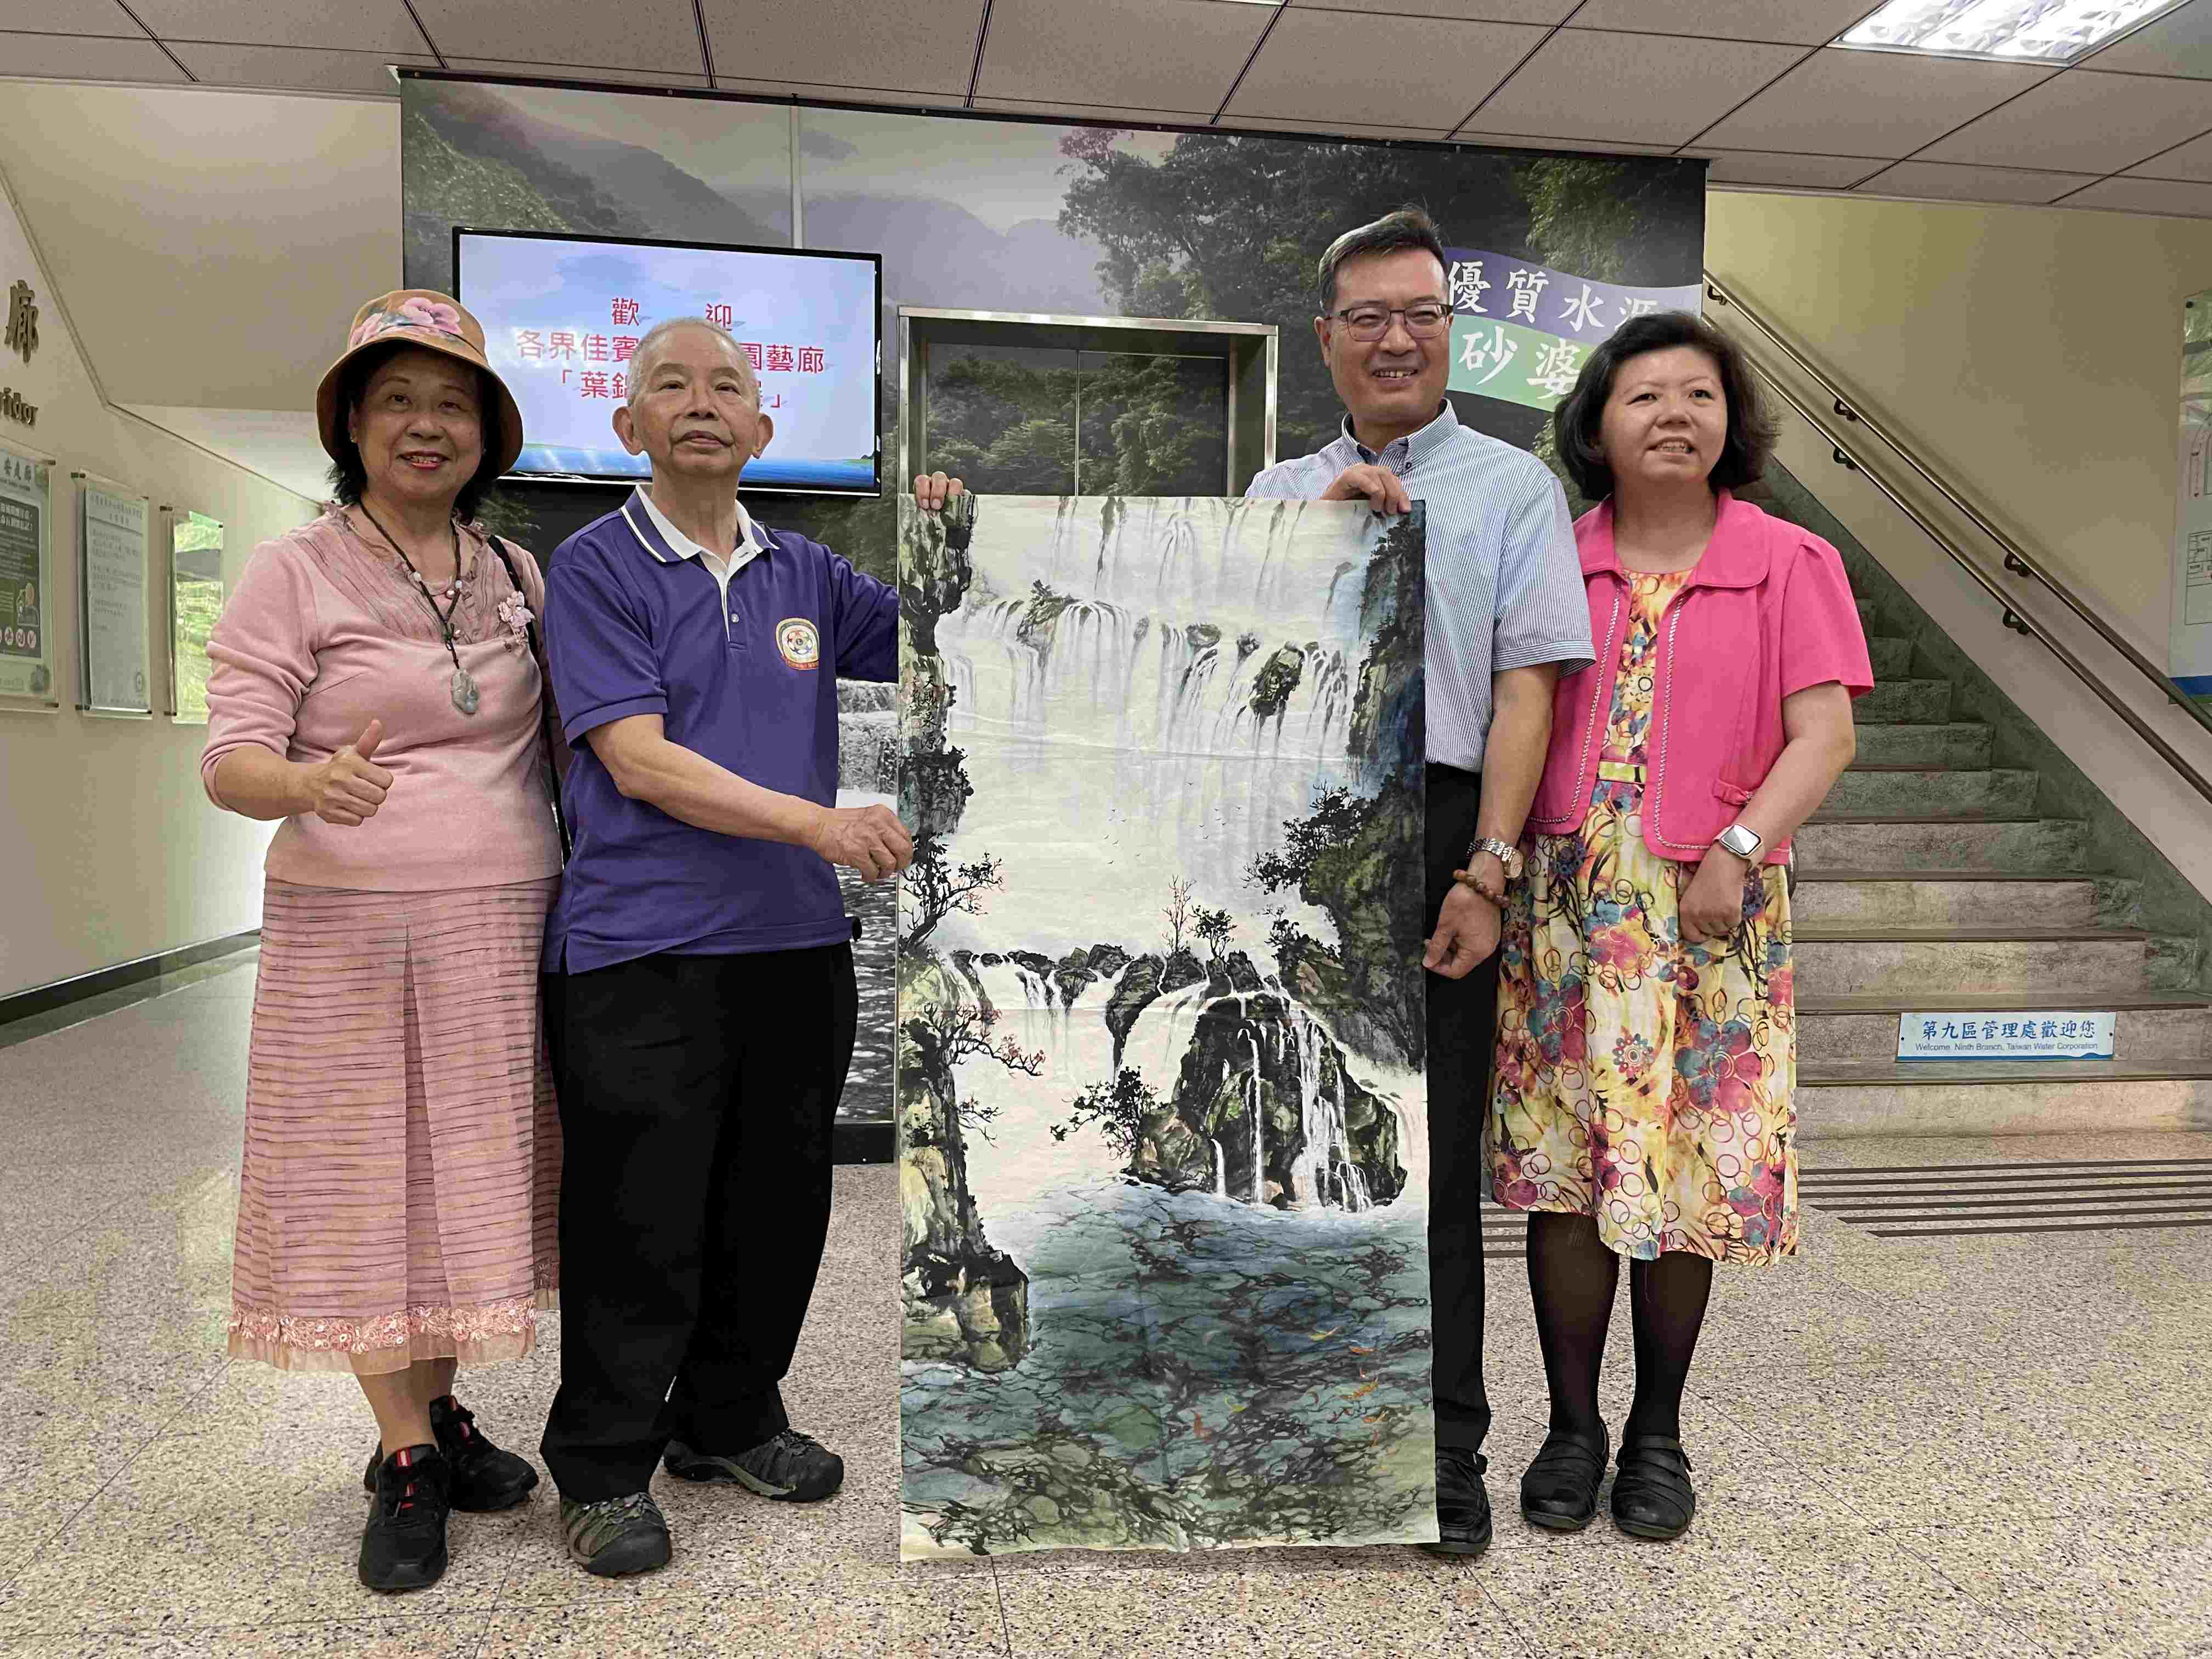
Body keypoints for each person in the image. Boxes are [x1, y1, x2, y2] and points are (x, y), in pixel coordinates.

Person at [1244, 207, 1595, 1558]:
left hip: (1446, 823)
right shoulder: (1277, 493)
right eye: (1370, 316)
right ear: (1324, 337)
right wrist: (1309, 547)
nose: (1397, 337)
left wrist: (1489, 868)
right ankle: (1286, 1424)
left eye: (1423, 315)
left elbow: (1527, 694)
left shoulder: (1512, 490)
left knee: (1432, 1159)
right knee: (1286, 1133)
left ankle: (1439, 1454)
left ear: (1453, 333)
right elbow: (1232, 666)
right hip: (1290, 827)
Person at [202, 290, 562, 1593]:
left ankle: (446, 1410)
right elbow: (231, 757)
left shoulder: (517, 573)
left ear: (488, 432)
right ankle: (405, 1454)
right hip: (350, 932)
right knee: (365, 1185)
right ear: (351, 423)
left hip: (508, 925)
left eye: (452, 402)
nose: (427, 425)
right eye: (397, 400)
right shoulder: (294, 569)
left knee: (467, 1180)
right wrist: (302, 786)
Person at [537, 317, 910, 1578]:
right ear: (629, 425)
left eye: (729, 385)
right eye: (669, 386)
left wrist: (955, 526)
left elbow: (956, 630)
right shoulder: (595, 567)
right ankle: (599, 1464)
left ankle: (731, 1418)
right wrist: (822, 822)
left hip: (794, 945)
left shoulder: (808, 574)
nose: (702, 402)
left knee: (778, 1206)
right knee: (638, 1216)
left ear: (763, 428)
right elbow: (636, 761)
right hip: (643, 951)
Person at [1491, 311, 1869, 1542]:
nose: (1672, 414)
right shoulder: (1553, 552)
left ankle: (1657, 1434)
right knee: (1569, 1172)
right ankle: (1569, 1427)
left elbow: (1825, 735)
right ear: (1597, 425)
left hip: (1711, 917)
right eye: (1643, 394)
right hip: (1565, 911)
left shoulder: (1792, 561)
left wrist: (1743, 849)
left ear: (1730, 420)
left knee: (1685, 1164)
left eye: (1697, 394)